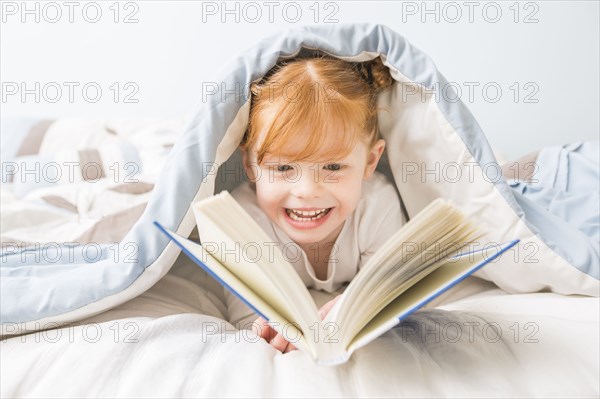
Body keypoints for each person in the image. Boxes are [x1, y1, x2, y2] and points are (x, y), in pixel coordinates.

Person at [225, 51, 406, 353]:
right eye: (283, 168)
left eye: (333, 167)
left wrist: (349, 309)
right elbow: (249, 314)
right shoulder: (242, 220)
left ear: (370, 161)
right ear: (250, 165)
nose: (307, 191)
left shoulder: (377, 205)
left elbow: (388, 287)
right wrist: (274, 326)